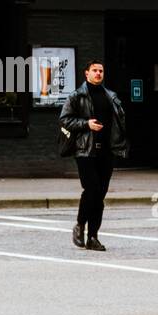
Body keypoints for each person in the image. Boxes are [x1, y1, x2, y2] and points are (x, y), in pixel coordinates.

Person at [59, 59, 127, 251]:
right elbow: (64, 120)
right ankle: (80, 224)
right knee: (92, 190)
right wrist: (86, 124)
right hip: (85, 150)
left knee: (100, 195)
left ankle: (93, 237)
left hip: (106, 151)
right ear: (86, 73)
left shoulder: (111, 96)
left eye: (101, 71)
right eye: (94, 70)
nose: (98, 73)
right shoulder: (76, 96)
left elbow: (119, 123)